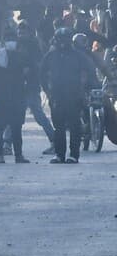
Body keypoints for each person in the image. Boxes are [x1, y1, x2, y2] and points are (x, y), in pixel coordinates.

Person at [41, 28, 92, 164]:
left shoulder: (78, 56)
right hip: (56, 97)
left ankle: (74, 155)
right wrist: (48, 92)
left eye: (65, 39)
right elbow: (42, 74)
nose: (63, 42)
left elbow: (86, 73)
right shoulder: (50, 56)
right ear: (56, 40)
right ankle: (59, 154)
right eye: (60, 39)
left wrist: (82, 90)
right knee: (59, 127)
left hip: (74, 96)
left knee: (75, 126)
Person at [11, 21, 55, 155]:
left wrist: (29, 70)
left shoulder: (34, 45)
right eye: (19, 32)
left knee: (38, 114)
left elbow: (39, 65)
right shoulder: (15, 45)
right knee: (13, 115)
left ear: (29, 33)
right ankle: (6, 143)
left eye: (23, 32)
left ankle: (54, 141)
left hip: (31, 85)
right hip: (18, 85)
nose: (20, 34)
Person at [0, 29, 29, 164]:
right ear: (4, 42)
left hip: (17, 96)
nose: (11, 42)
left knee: (16, 128)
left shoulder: (22, 55)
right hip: (2, 96)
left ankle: (19, 155)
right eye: (8, 39)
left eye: (13, 39)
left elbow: (30, 70)